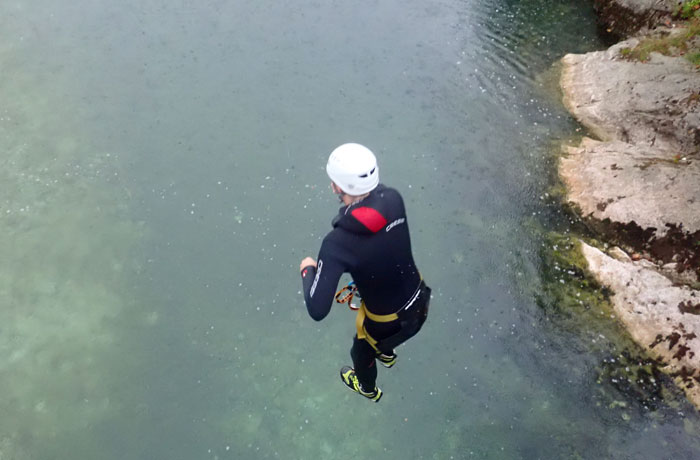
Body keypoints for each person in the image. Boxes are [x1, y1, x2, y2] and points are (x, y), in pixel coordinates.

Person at [299, 143, 431, 402]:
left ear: (337, 187)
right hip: (421, 303)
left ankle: (369, 390)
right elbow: (381, 246)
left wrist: (308, 270)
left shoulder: (337, 244)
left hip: (387, 324)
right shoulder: (393, 199)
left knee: (360, 353)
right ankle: (386, 353)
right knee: (383, 339)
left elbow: (317, 309)